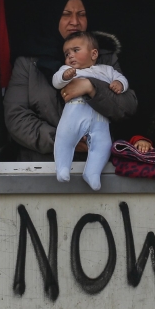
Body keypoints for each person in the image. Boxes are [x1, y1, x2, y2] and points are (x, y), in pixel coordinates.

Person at [3, 0, 138, 161]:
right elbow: (16, 117)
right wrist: (62, 140)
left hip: (97, 164)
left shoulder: (103, 58)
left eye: (81, 14)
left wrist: (91, 87)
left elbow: (127, 106)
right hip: (42, 167)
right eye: (66, 14)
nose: (75, 21)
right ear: (52, 17)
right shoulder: (28, 63)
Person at [52, 32, 129, 190]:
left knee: (103, 145)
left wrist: (119, 84)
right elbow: (56, 81)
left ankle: (92, 173)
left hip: (100, 118)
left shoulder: (107, 70)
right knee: (64, 138)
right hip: (74, 114)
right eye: (67, 54)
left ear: (94, 54)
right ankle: (62, 168)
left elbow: (122, 79)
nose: (70, 56)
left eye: (76, 50)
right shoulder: (68, 70)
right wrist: (64, 76)